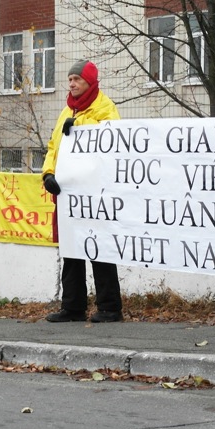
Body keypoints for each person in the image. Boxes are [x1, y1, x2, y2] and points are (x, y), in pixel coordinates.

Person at [42, 60, 124, 323]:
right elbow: (54, 146)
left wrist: (79, 131)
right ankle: (73, 307)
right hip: (69, 193)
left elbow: (112, 146)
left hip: (96, 193)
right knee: (71, 250)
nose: (72, 84)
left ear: (90, 82)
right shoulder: (67, 109)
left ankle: (110, 308)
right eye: (69, 80)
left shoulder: (105, 109)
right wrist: (48, 174)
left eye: (77, 79)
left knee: (100, 249)